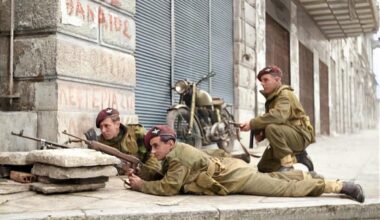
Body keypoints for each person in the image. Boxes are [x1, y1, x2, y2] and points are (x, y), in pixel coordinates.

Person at [128, 125, 364, 203]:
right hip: (228, 169)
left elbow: (168, 187)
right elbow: (161, 173)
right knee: (275, 180)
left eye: (156, 145)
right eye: (151, 147)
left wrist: (141, 186)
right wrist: (141, 172)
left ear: (170, 143)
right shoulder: (172, 153)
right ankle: (305, 177)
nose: (153, 150)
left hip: (234, 177)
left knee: (280, 189)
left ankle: (338, 186)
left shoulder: (179, 157)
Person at [240, 65, 315, 172]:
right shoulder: (274, 97)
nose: (262, 83)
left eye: (266, 80)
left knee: (272, 128)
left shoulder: (285, 95)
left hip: (300, 136)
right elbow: (277, 120)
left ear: (277, 80)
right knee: (264, 167)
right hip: (289, 133)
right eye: (261, 81)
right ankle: (299, 157)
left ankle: (287, 164)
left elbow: (277, 116)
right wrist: (260, 131)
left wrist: (252, 124)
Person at [90, 107, 162, 180]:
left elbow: (153, 157)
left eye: (106, 126)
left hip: (143, 177)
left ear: (117, 124)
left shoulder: (136, 133)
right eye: (101, 127)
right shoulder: (99, 143)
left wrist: (140, 172)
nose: (103, 130)